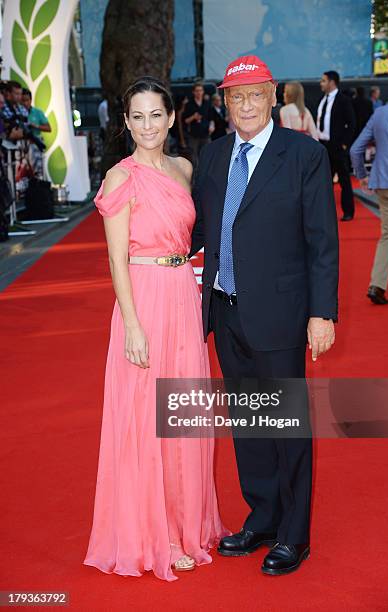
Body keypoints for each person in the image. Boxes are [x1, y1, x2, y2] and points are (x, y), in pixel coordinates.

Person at [190, 55, 339, 576]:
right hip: (226, 311)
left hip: (281, 312)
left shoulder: (302, 155)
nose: (246, 104)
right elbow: (202, 231)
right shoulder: (210, 156)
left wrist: (322, 312)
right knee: (250, 424)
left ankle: (294, 535)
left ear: (274, 97)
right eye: (236, 96)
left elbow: (322, 239)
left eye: (256, 94)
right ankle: (264, 518)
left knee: (286, 425)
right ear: (224, 102)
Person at [83, 76, 229, 581]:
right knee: (147, 420)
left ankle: (188, 524)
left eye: (156, 115)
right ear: (126, 123)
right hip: (142, 299)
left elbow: (199, 236)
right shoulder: (120, 179)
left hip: (182, 299)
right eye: (137, 116)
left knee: (183, 415)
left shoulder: (185, 168)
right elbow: (116, 259)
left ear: (172, 118)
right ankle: (161, 534)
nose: (147, 125)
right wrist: (131, 325)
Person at [350, 87, 388, 305]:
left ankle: (377, 285)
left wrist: (362, 175)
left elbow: (356, 149)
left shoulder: (382, 113)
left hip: (385, 182)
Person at [317, 70, 356, 221]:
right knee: (325, 182)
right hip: (323, 145)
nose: (321, 83)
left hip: (337, 146)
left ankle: (348, 212)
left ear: (332, 82)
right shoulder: (323, 99)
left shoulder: (343, 100)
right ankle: (326, 213)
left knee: (344, 180)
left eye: (323, 80)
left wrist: (345, 144)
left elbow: (352, 123)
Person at [21, 88, 50, 175]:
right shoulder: (18, 112)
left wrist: (35, 126)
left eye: (27, 100)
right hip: (22, 145)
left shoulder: (37, 112)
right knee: (22, 171)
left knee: (38, 172)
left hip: (35, 144)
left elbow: (48, 128)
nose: (25, 103)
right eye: (23, 100)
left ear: (31, 100)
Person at [183, 82, 211, 164]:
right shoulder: (189, 104)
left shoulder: (207, 103)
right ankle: (195, 175)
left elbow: (211, 118)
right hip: (193, 135)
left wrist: (212, 126)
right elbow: (185, 121)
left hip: (205, 134)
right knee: (194, 158)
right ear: (194, 92)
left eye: (200, 90)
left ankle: (205, 175)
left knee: (206, 155)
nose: (199, 92)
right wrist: (193, 117)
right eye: (197, 91)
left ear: (203, 92)